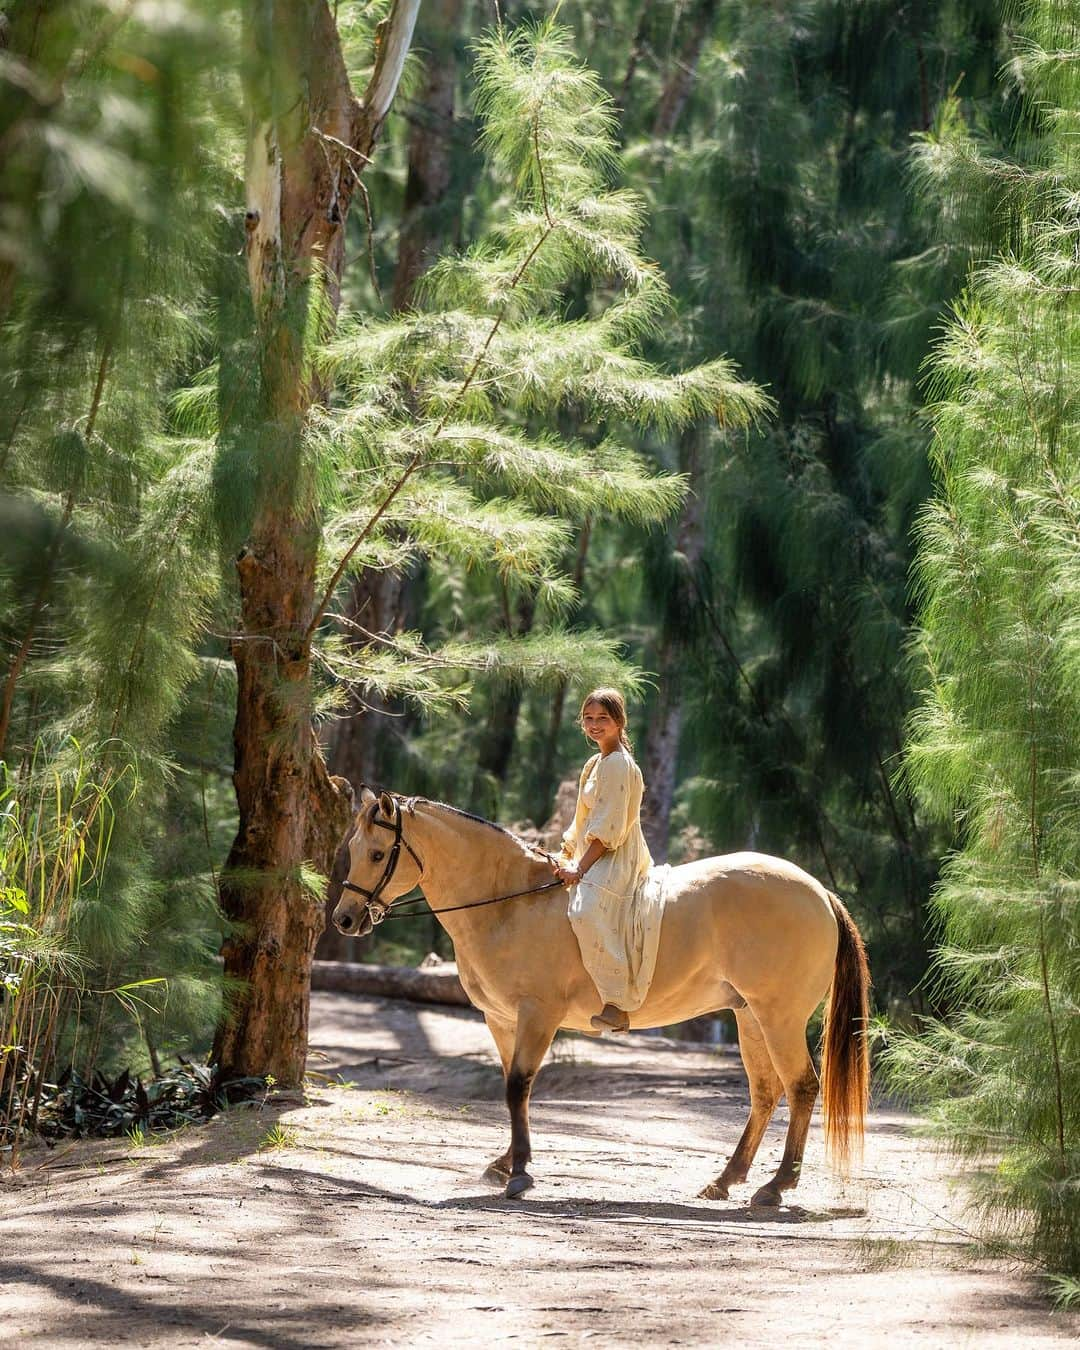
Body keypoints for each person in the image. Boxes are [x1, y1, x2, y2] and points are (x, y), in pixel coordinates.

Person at [551, 688, 657, 1033]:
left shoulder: (617, 765)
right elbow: (582, 819)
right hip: (590, 849)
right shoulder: (594, 763)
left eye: (603, 719)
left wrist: (580, 869)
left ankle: (616, 1002)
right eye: (589, 718)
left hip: (615, 853)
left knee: (587, 909)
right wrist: (567, 850)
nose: (595, 725)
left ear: (618, 722)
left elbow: (609, 827)